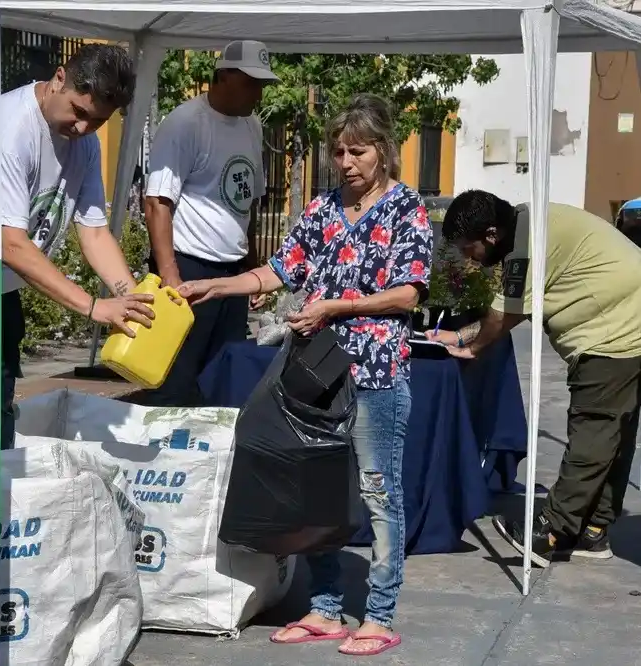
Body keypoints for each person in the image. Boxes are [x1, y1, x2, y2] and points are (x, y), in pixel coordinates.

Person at [179, 94, 433, 656]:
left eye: (357, 151)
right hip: (315, 376)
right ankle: (324, 609)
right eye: (338, 152)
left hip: (373, 374)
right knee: (314, 492)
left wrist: (335, 307)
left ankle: (381, 614)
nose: (345, 162)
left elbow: (409, 293)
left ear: (384, 151)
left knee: (377, 493)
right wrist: (215, 286)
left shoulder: (406, 209)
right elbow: (278, 270)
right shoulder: (322, 208)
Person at [428, 190, 641, 566]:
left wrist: (470, 347)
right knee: (614, 434)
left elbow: (503, 316)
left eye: (469, 247)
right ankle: (593, 530)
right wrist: (462, 336)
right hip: (626, 320)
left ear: (491, 234)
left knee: (594, 429)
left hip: (614, 331)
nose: (467, 257)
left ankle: (550, 530)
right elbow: (517, 310)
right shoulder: (528, 224)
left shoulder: (527, 243)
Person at [1, 43, 155, 448]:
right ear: (58, 79)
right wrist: (94, 306)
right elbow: (11, 245)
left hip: (1, 295)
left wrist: (136, 302)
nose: (84, 128)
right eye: (79, 111)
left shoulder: (85, 144)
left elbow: (95, 233)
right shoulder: (9, 129)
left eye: (98, 121)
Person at [141, 40, 276, 406]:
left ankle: (213, 458)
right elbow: (156, 202)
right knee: (177, 378)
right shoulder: (186, 123)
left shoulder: (252, 126)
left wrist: (252, 267)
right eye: (250, 82)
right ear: (223, 76)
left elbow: (248, 201)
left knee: (222, 377)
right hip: (189, 267)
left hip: (230, 274)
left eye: (262, 85)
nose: (257, 92)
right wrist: (171, 277)